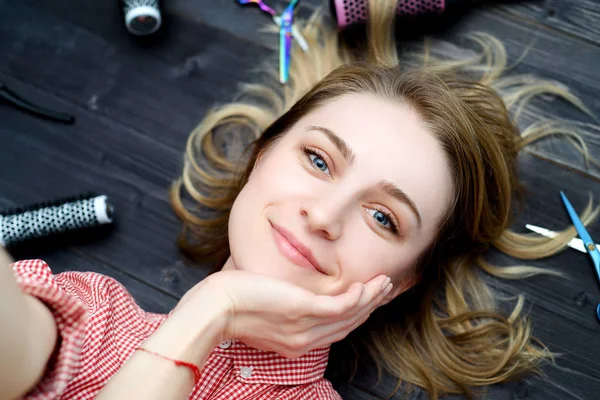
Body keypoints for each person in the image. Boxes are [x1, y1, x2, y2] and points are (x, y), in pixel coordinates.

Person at [1, 1, 596, 399]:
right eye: (318, 160)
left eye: (384, 217)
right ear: (259, 156)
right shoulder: (89, 316)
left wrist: (215, 311)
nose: (324, 214)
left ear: (404, 282)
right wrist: (212, 311)